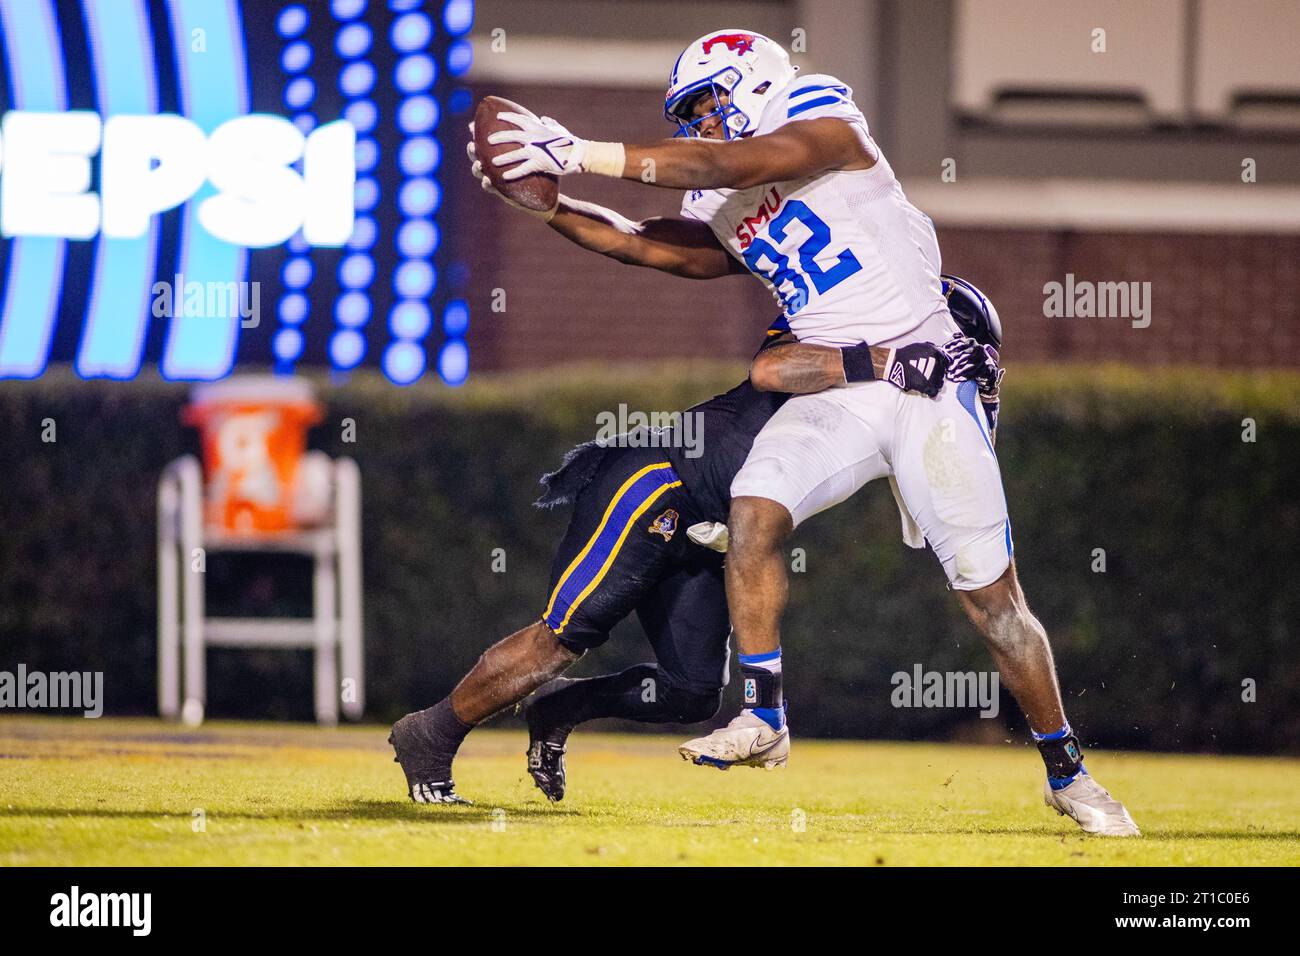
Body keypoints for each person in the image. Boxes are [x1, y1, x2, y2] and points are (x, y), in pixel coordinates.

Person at [472, 28, 1139, 835]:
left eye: (706, 107)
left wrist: (580, 149)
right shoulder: (723, 194)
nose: (700, 129)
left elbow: (735, 163)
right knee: (755, 501)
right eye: (689, 117)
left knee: (995, 607)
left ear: (749, 80)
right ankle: (764, 712)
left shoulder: (819, 111)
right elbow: (646, 245)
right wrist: (551, 207)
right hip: (850, 383)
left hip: (925, 381)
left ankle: (1066, 771)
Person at [390, 324, 967, 803]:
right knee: (561, 640)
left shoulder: (896, 408)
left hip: (708, 533)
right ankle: (431, 735)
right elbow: (772, 367)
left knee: (691, 692)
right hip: (659, 484)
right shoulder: (842, 334)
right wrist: (880, 359)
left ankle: (559, 707)